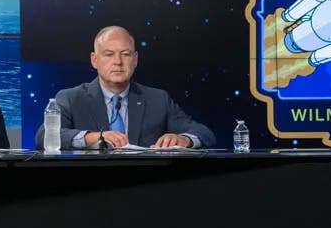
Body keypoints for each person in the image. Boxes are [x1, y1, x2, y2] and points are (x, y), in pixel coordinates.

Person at [35, 25, 215, 151]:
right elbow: (43, 137)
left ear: (135, 59)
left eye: (125, 54)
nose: (118, 62)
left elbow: (204, 134)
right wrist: (94, 138)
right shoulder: (70, 98)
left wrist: (184, 140)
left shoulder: (158, 99)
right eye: (109, 54)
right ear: (94, 60)